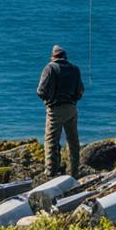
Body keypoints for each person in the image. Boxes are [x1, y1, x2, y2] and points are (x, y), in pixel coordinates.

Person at [37, 45, 85, 178]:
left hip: (55, 109)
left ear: (53, 57)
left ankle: (51, 172)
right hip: (71, 108)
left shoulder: (50, 68)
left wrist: (48, 101)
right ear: (65, 57)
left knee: (51, 140)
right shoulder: (75, 69)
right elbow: (80, 91)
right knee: (73, 141)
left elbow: (40, 91)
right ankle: (74, 173)